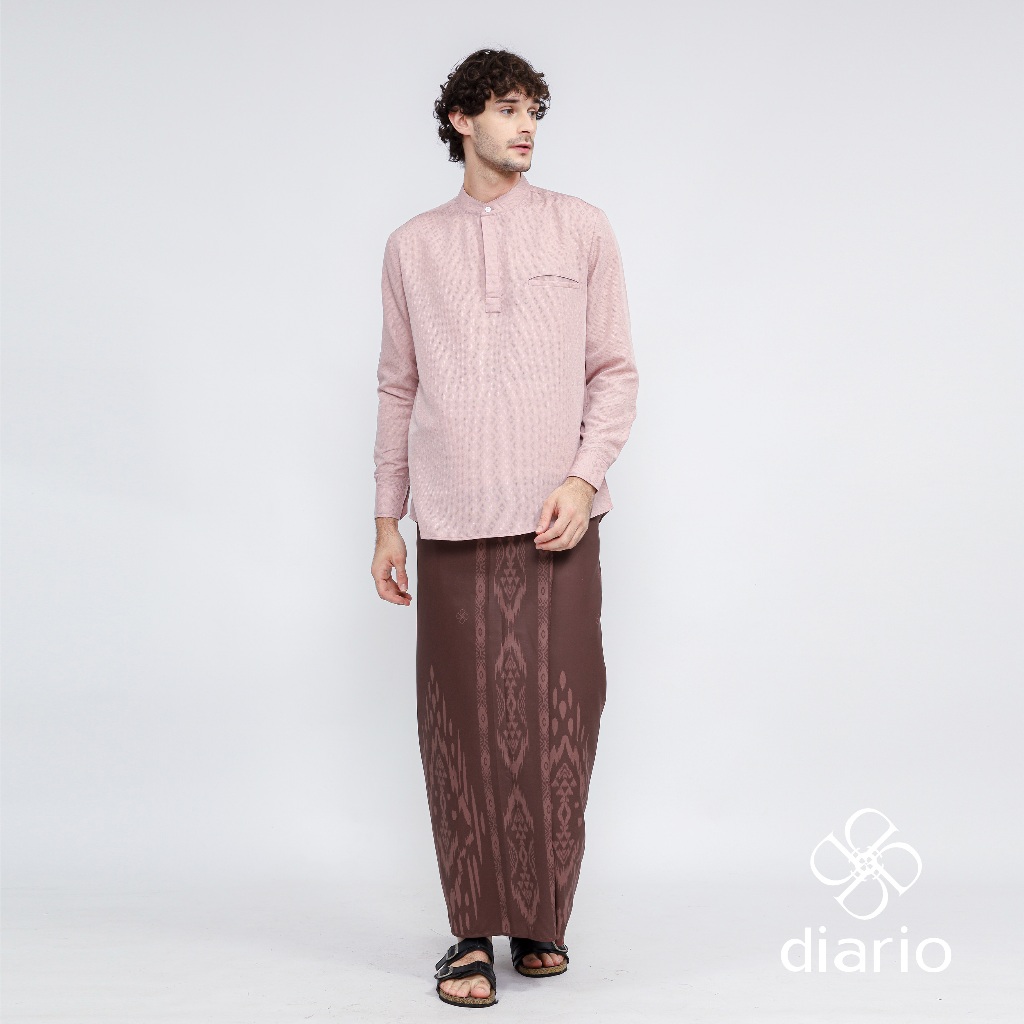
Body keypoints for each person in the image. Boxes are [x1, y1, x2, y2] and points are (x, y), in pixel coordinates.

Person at [370, 48, 639, 1009]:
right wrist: (387, 519)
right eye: (507, 109)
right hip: (449, 521)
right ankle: (471, 934)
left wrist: (583, 475)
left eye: (535, 111)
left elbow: (613, 371)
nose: (526, 127)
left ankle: (539, 918)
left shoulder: (581, 227)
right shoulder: (413, 246)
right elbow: (397, 385)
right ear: (461, 121)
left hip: (556, 520)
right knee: (459, 731)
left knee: (563, 720)